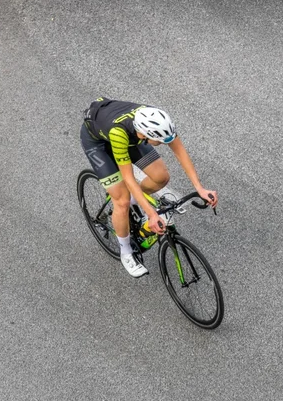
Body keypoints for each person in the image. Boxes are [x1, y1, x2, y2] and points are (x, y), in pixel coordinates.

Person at [80, 97, 218, 277]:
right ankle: (126, 252)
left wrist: (200, 188)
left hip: (130, 137)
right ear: (145, 135)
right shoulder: (119, 133)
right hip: (97, 142)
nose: (162, 143)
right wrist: (152, 214)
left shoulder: (157, 121)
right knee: (121, 201)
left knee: (161, 176)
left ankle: (136, 202)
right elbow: (129, 179)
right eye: (159, 141)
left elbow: (180, 151)